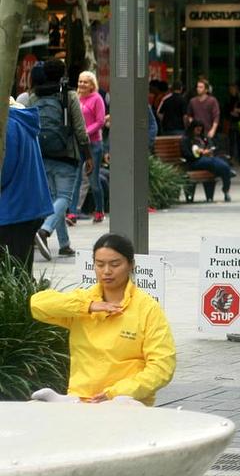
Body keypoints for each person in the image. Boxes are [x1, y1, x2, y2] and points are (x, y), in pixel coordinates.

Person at [30, 233, 176, 406]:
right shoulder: (83, 301)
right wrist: (88, 306)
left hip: (127, 403)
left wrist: (116, 392)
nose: (106, 271)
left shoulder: (147, 308)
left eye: (115, 264)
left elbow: (162, 367)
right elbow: (37, 305)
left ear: (131, 265)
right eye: (100, 264)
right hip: (79, 401)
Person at [32, 58, 92, 260]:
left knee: (53, 198)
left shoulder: (35, 96)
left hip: (43, 153)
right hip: (66, 154)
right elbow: (80, 129)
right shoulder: (69, 95)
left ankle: (64, 244)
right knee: (64, 198)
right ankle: (44, 230)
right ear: (62, 74)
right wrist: (88, 155)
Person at [0, 98, 53, 271]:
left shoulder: (6, 125)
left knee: (12, 274)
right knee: (21, 271)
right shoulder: (20, 121)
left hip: (12, 210)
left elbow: (4, 170)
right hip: (27, 207)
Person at [68, 71, 106, 224]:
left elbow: (100, 121)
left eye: (85, 82)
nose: (82, 84)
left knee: (93, 180)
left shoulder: (97, 99)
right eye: (80, 81)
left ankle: (99, 210)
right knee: (76, 179)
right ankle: (72, 213)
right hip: (79, 144)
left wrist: (84, 132)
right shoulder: (75, 98)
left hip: (93, 145)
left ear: (92, 84)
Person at [181, 120, 233, 202]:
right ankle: (228, 172)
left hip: (208, 159)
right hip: (194, 161)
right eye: (197, 129)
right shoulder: (186, 139)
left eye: (200, 130)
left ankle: (226, 188)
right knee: (215, 163)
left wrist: (209, 151)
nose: (199, 131)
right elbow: (186, 154)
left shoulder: (203, 138)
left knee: (222, 162)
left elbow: (212, 146)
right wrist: (200, 153)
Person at [223, 83, 240, 161]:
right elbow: (225, 110)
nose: (232, 91)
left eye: (233, 89)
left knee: (239, 140)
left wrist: (238, 111)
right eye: (230, 89)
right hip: (231, 122)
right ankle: (232, 156)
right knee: (231, 140)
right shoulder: (227, 98)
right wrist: (231, 112)